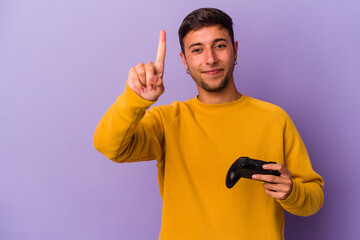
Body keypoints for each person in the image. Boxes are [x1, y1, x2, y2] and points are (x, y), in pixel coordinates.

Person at [93, 8, 324, 240]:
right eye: (197, 50)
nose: (210, 59)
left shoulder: (275, 118)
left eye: (219, 46)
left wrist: (292, 192)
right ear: (184, 60)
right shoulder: (167, 121)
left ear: (235, 50)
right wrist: (136, 99)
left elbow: (313, 199)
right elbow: (108, 145)